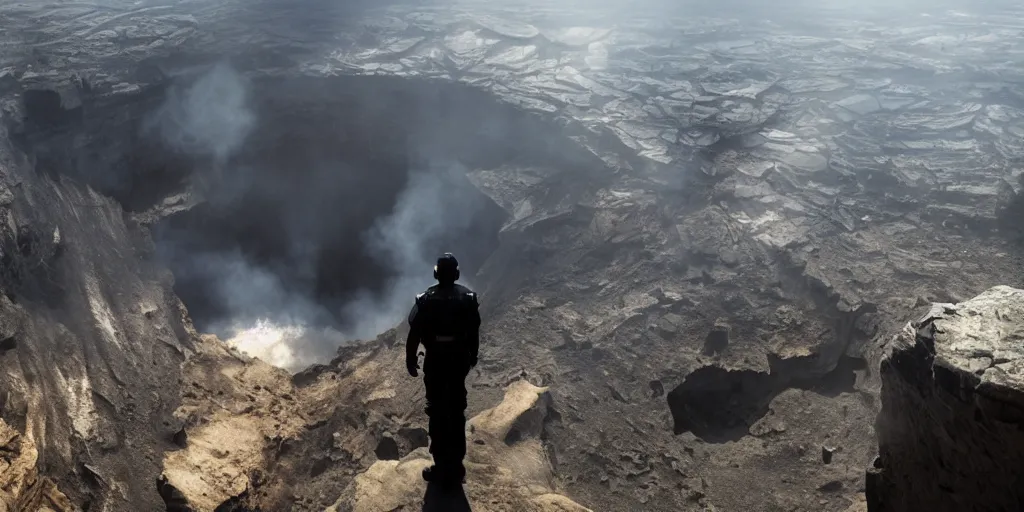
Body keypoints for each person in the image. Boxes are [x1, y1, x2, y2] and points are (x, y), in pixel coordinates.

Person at [406, 253, 481, 486]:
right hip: (458, 361)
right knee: (457, 411)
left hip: (436, 361)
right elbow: (474, 332)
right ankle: (456, 466)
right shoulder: (468, 298)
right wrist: (471, 356)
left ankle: (440, 465)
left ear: (436, 273)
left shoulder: (426, 299)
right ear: (456, 273)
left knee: (437, 411)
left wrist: (410, 359)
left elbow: (414, 333)